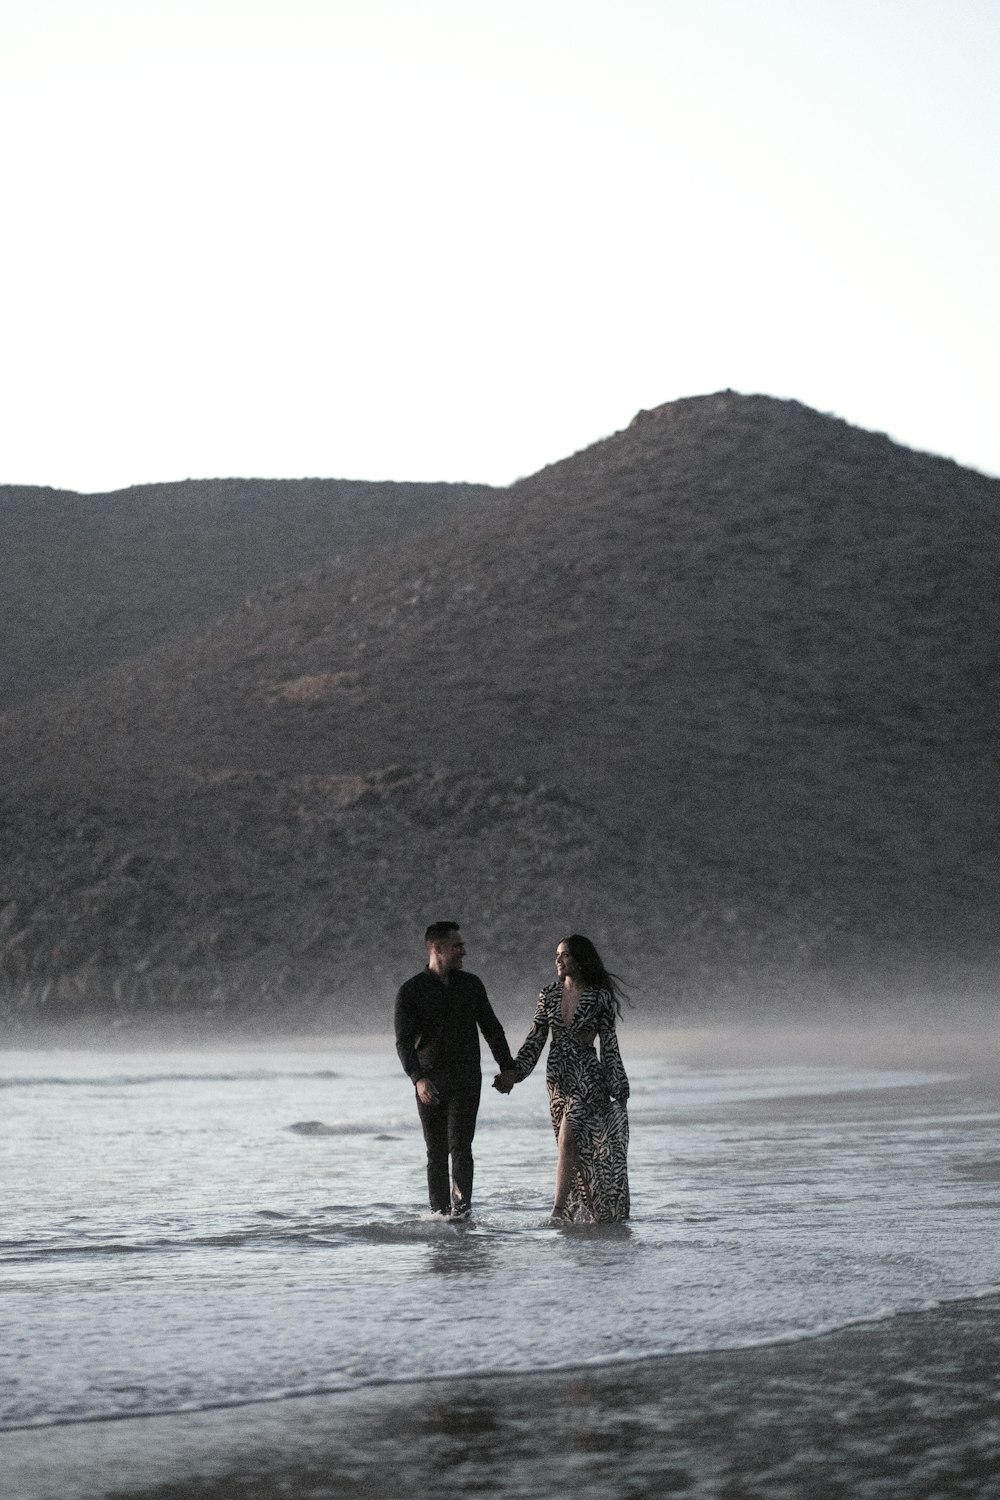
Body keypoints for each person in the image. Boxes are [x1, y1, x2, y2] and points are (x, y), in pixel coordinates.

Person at [494, 934, 630, 1223]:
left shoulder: (599, 997)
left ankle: (558, 1211)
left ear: (579, 960)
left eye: (564, 955)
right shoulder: (548, 995)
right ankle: (588, 1212)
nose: (558, 960)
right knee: (573, 1150)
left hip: (587, 1076)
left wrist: (618, 1085)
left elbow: (609, 1044)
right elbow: (535, 1039)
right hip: (557, 1078)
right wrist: (514, 1074)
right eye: (557, 954)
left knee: (568, 1141)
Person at [394, 921, 515, 1220]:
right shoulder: (411, 991)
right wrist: (417, 1079)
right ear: (437, 948)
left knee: (461, 1147)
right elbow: (404, 1043)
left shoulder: (470, 985)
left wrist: (507, 1068)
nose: (464, 951)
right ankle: (438, 1214)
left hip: (466, 1081)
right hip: (430, 1083)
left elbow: (492, 1029)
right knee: (436, 1153)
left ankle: (461, 1214)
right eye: (457, 946)